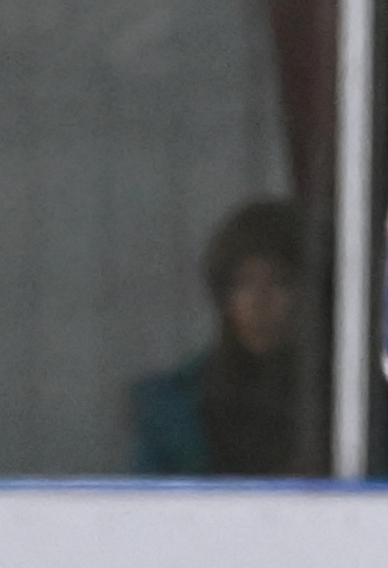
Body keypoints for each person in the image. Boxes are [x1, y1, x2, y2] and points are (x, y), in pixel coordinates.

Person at [132, 198, 324, 476]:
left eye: (280, 281)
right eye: (244, 283)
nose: (260, 301)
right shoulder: (174, 408)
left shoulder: (352, 402)